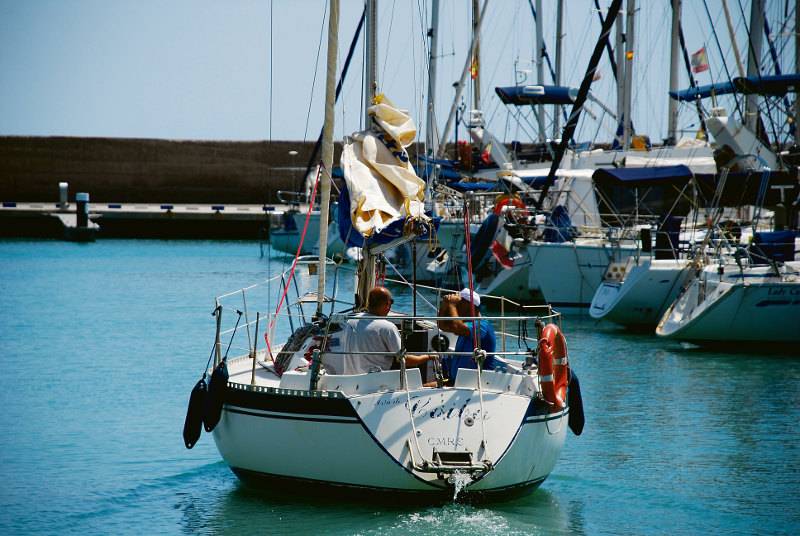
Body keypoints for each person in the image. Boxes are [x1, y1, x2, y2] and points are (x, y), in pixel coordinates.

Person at [342, 286, 433, 374]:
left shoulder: (349, 322)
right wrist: (428, 357)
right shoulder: (387, 327)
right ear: (387, 304)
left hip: (350, 381)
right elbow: (404, 360)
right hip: (377, 383)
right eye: (391, 302)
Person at [436, 288, 502, 384]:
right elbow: (442, 326)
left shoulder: (482, 325)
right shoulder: (466, 324)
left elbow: (457, 328)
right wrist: (444, 305)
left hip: (477, 384)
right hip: (457, 382)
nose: (457, 307)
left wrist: (452, 305)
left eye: (459, 304)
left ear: (469, 306)